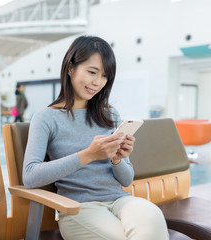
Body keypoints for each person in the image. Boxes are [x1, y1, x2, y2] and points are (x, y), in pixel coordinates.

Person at [22, 36, 169, 240]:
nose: (97, 82)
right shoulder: (46, 118)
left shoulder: (110, 114)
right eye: (91, 72)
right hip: (79, 208)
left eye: (105, 76)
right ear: (70, 68)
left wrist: (117, 159)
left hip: (121, 201)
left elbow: (126, 180)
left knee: (153, 219)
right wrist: (88, 155)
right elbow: (30, 177)